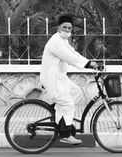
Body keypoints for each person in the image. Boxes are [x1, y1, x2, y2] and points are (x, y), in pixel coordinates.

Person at [40, 14, 98, 144]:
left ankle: (58, 118)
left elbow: (73, 53)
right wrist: (88, 64)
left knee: (77, 93)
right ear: (58, 28)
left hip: (60, 78)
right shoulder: (55, 42)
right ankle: (65, 134)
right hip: (52, 80)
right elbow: (68, 57)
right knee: (68, 103)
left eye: (69, 28)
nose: (67, 30)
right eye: (64, 27)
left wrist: (89, 62)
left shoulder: (63, 41)